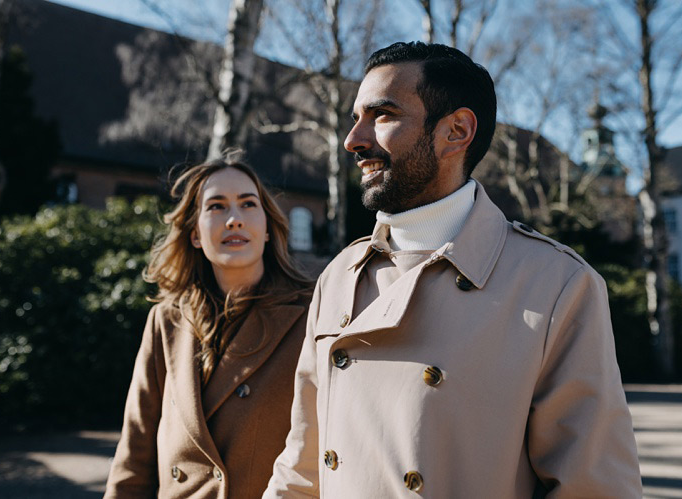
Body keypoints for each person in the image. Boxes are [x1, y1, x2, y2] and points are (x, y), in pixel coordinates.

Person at [263, 42, 640, 497]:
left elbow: (593, 488)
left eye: (381, 115)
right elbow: (302, 468)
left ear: (456, 131)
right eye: (354, 118)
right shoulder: (338, 275)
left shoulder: (557, 284)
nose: (353, 140)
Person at [106, 157, 314, 498]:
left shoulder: (311, 314)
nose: (234, 220)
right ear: (195, 235)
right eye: (216, 207)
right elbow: (135, 450)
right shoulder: (166, 320)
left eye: (248, 204)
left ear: (266, 227)